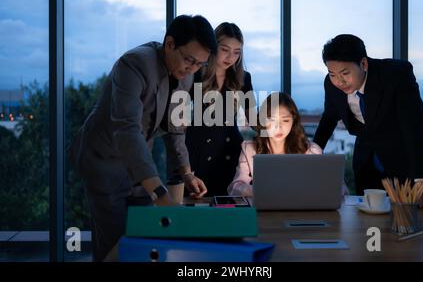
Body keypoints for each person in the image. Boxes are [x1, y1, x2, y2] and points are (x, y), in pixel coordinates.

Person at [68, 15, 217, 261]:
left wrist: (187, 172)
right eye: (189, 60)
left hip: (137, 161)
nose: (192, 68)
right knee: (115, 246)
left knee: (146, 236)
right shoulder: (134, 64)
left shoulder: (187, 75)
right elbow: (127, 130)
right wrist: (159, 193)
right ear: (169, 44)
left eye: (200, 64)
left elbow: (175, 126)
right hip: (103, 160)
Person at [313, 34, 423, 209]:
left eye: (345, 73)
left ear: (363, 64)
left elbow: (415, 126)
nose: (339, 82)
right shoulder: (331, 84)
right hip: (365, 161)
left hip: (402, 160)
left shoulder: (396, 74)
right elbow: (329, 116)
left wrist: (422, 181)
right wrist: (315, 150)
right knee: (370, 223)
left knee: (406, 221)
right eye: (332, 74)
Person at [185, 22, 256, 196]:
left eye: (237, 52)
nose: (230, 57)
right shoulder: (195, 74)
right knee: (195, 210)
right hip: (197, 151)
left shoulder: (244, 78)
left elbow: (254, 120)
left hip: (230, 150)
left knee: (229, 211)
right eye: (225, 49)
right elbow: (179, 119)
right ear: (213, 47)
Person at [228, 92, 325, 197]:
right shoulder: (249, 149)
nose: (278, 127)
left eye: (285, 120)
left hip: (302, 210)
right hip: (264, 210)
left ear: (294, 121)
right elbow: (235, 187)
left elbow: (332, 186)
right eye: (272, 120)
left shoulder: (311, 151)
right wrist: (255, 191)